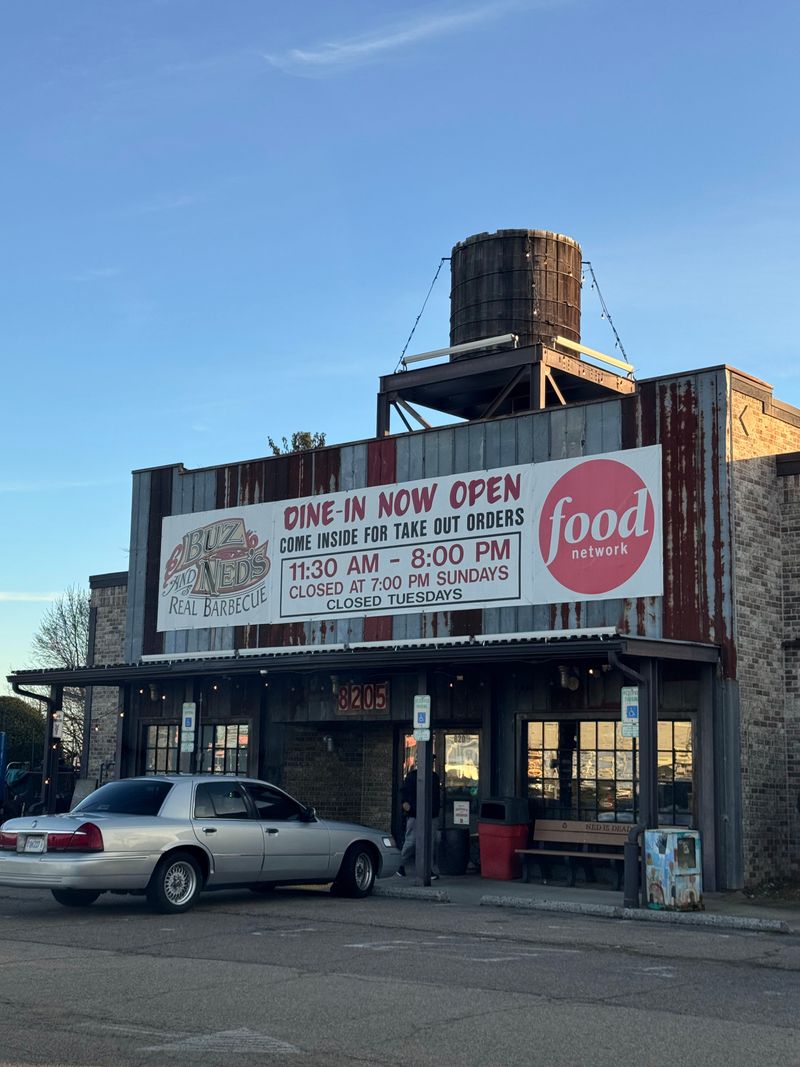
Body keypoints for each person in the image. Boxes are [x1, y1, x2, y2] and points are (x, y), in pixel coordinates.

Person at [396, 760, 441, 878]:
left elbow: (436, 796)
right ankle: (399, 865)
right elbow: (403, 792)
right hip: (415, 813)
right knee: (412, 841)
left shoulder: (434, 777)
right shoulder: (412, 776)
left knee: (430, 842)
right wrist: (405, 803)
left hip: (431, 813)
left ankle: (428, 869)